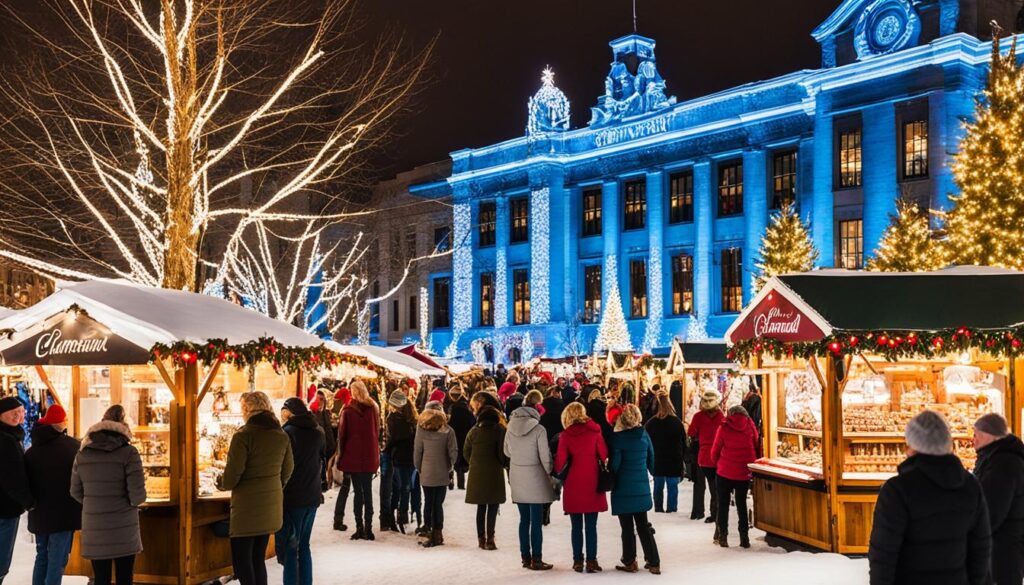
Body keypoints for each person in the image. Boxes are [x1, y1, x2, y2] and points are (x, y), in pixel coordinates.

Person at [868, 410, 991, 585]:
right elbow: (980, 549)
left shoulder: (897, 490)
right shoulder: (970, 486)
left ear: (913, 446)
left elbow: (883, 557)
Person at [219, 392, 293, 585]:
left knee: (242, 562)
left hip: (246, 510)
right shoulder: (281, 435)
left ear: (246, 409)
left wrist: (221, 481)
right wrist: (274, 486)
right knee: (257, 560)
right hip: (270, 508)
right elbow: (288, 470)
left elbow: (231, 477)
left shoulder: (244, 436)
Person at [71, 405, 147, 585]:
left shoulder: (82, 455)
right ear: (123, 427)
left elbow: (75, 491)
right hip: (124, 529)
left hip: (95, 527)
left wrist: (94, 503)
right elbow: (138, 496)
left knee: (101, 578)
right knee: (124, 578)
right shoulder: (129, 453)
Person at [25, 405, 81, 585]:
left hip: (40, 512)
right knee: (58, 559)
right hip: (64, 513)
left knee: (42, 555)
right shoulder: (73, 446)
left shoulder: (32, 450)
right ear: (61, 423)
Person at [555, 402, 608, 573]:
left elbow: (560, 463)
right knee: (591, 526)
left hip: (573, 483)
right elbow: (604, 453)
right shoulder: (595, 431)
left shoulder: (565, 435)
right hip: (592, 481)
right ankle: (592, 560)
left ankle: (578, 560)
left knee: (576, 526)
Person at [504, 397, 556, 571]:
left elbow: (507, 451)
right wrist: (549, 472)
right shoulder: (539, 429)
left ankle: (525, 557)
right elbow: (545, 457)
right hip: (535, 477)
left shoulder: (510, 427)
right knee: (536, 520)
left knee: (523, 519)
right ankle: (537, 558)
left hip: (517, 475)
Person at [277, 398, 325, 585]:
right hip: (312, 495)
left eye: (284, 412)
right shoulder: (317, 432)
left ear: (290, 413)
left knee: (290, 548)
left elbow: (283, 465)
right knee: (304, 546)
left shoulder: (288, 433)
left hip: (294, 496)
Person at [972, 412, 1024, 585]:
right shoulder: (995, 458)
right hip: (1000, 549)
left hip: (1001, 552)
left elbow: (991, 512)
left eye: (976, 434)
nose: (973, 440)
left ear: (989, 434)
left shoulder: (1003, 463)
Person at [610, 404, 660, 574]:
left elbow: (615, 465)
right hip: (641, 486)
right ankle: (654, 561)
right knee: (643, 525)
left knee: (627, 528)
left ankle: (630, 560)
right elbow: (652, 462)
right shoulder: (644, 435)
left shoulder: (618, 438)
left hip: (623, 487)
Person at [336, 380, 380, 540]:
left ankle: (359, 527)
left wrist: (340, 457)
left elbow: (342, 435)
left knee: (358, 494)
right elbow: (377, 431)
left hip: (352, 457)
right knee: (367, 492)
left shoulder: (347, 410)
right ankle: (368, 529)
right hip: (369, 457)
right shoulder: (373, 409)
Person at [711, 405, 759, 548]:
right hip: (743, 472)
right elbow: (756, 444)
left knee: (723, 505)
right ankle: (744, 537)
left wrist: (717, 462)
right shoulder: (750, 426)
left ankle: (723, 536)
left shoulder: (724, 426)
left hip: (725, 472)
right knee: (741, 505)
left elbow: (715, 449)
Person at [414, 402, 458, 547]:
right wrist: (450, 466)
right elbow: (453, 452)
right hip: (442, 471)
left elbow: (417, 452)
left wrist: (419, 468)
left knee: (428, 501)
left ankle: (429, 528)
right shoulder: (449, 430)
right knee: (438, 503)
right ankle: (437, 532)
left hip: (426, 471)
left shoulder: (421, 430)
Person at [464, 404, 508, 550]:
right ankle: (491, 538)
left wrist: (474, 462)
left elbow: (466, 451)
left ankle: (481, 538)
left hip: (477, 472)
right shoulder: (500, 430)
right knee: (493, 506)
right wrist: (503, 464)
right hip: (494, 472)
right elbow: (503, 452)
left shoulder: (473, 431)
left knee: (481, 506)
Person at [0, 396, 31, 585]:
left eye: (20, 412)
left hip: (7, 504)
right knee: (2, 556)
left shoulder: (12, 436)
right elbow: (12, 476)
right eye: (13, 413)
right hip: (5, 506)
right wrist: (28, 500)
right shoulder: (6, 440)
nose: (18, 416)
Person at [687, 390, 724, 527]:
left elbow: (691, 432)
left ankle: (698, 511)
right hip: (719, 456)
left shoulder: (698, 416)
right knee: (715, 488)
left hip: (703, 457)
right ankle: (715, 513)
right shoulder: (721, 416)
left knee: (700, 485)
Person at [382, 391, 417, 533]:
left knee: (399, 488)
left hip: (399, 457)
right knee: (405, 488)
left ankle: (396, 517)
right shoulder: (411, 419)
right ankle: (402, 517)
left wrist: (386, 450)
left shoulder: (393, 419)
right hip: (410, 457)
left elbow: (393, 439)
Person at [645, 394, 686, 514]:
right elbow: (683, 442)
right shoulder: (677, 422)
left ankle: (658, 508)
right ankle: (672, 509)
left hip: (657, 458)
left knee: (658, 486)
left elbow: (646, 441)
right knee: (672, 486)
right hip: (674, 458)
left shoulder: (651, 423)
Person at [447, 386, 476, 491]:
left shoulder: (453, 408)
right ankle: (460, 483)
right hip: (464, 435)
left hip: (454, 435)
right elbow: (472, 422)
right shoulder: (467, 406)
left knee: (453, 457)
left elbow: (450, 423)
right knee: (461, 458)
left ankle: (451, 480)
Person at [310, 389, 337, 491]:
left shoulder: (324, 412)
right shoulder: (312, 412)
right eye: (319, 398)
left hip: (325, 445)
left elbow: (328, 430)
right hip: (316, 447)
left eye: (323, 399)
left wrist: (332, 446)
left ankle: (323, 484)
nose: (321, 401)